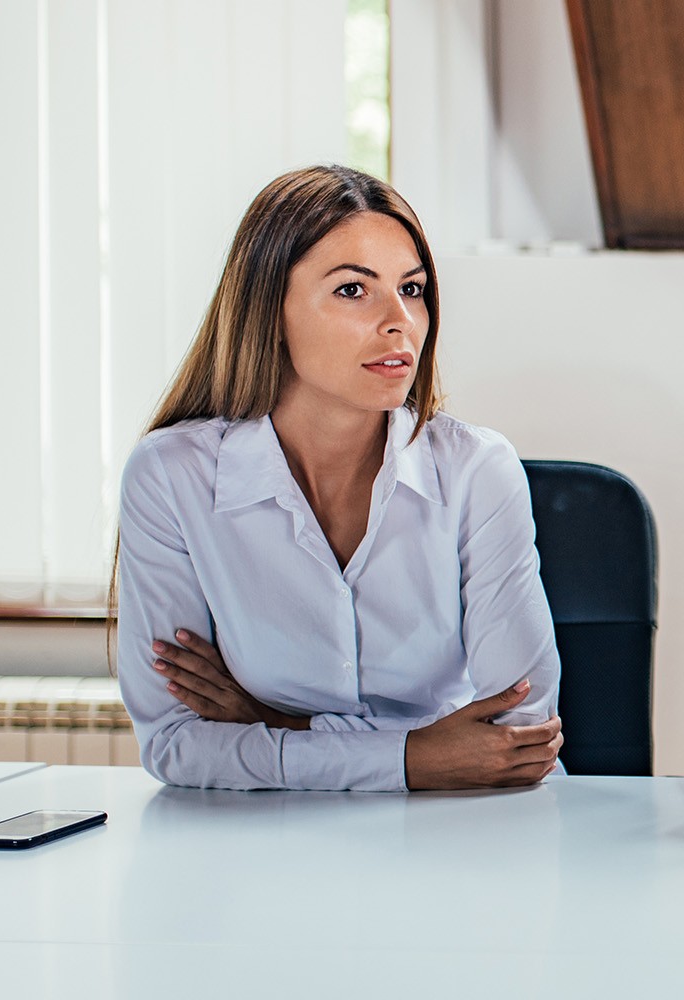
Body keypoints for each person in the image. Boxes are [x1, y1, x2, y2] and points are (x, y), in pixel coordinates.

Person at [113, 165, 564, 792]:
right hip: (265, 846)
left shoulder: (477, 471)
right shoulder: (172, 476)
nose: (399, 320)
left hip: (469, 834)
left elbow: (520, 739)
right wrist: (416, 757)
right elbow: (174, 744)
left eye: (412, 289)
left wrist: (273, 725)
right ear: (270, 310)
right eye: (354, 291)